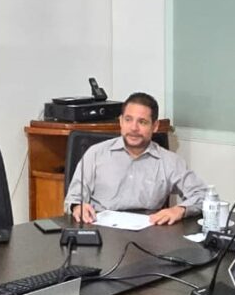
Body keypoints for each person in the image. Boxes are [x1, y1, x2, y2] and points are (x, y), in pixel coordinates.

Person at [65, 92, 207, 226]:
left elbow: (203, 195)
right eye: (128, 120)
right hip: (101, 231)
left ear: (155, 126)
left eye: (142, 122)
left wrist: (179, 210)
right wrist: (78, 207)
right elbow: (73, 198)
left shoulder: (169, 161)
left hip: (148, 235)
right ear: (121, 122)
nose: (133, 128)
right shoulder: (95, 154)